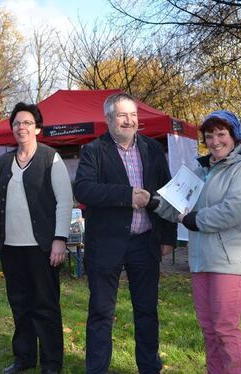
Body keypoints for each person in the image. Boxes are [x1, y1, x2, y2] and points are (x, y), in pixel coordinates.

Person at [141, 110, 241, 373]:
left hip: (230, 262)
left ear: (235, 137)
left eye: (222, 134)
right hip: (201, 261)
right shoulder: (201, 169)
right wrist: (152, 201)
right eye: (210, 136)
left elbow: (237, 209)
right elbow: (176, 205)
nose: (215, 141)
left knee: (225, 329)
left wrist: (196, 220)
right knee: (210, 330)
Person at [73, 92, 176, 374]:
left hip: (145, 242)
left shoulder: (153, 149)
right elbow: (83, 189)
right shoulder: (94, 150)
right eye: (122, 115)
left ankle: (149, 367)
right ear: (109, 119)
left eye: (133, 115)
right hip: (106, 244)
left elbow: (168, 194)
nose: (129, 121)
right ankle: (96, 369)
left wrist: (168, 236)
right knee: (101, 313)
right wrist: (127, 195)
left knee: (146, 311)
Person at [0, 102, 73, 374]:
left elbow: (64, 202)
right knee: (19, 304)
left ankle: (52, 363)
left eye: (27, 123)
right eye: (17, 123)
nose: (21, 127)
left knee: (46, 305)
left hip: (42, 247)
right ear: (12, 128)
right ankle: (24, 358)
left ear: (38, 128)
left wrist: (59, 239)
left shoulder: (50, 158)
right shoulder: (4, 161)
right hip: (11, 246)